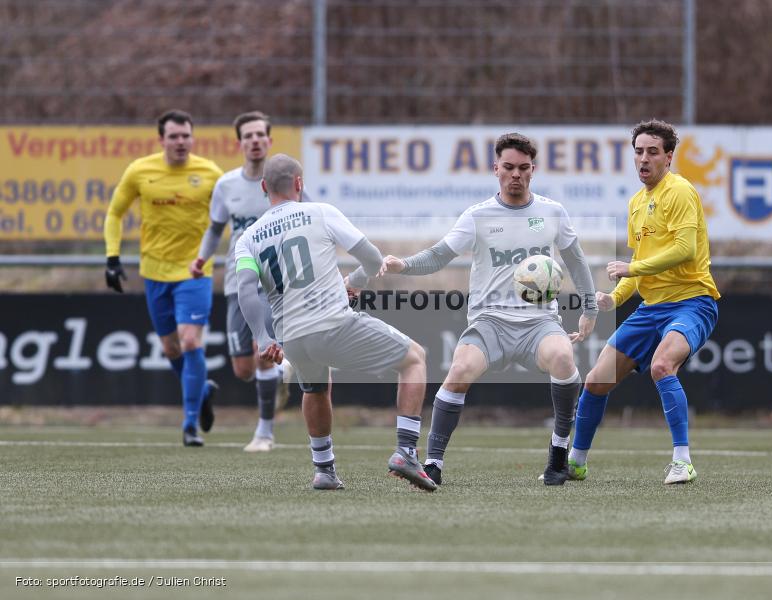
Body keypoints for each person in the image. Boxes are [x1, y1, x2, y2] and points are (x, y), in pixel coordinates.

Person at [381, 132, 598, 486]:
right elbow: (439, 256)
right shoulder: (478, 216)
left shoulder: (552, 212)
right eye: (509, 167)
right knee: (460, 368)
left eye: (524, 168)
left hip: (539, 323)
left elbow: (576, 261)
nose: (516, 174)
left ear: (533, 170)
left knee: (563, 359)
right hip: (490, 323)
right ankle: (433, 463)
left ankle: (558, 454)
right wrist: (402, 264)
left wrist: (590, 308)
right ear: (495, 168)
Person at [234, 153, 436, 491]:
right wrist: (355, 281)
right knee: (415, 358)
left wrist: (261, 337)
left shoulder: (249, 237)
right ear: (299, 184)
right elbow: (372, 258)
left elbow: (244, 289)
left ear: (264, 187)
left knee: (314, 387)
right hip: (332, 323)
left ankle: (324, 470)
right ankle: (406, 451)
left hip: (291, 336)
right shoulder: (321, 212)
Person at [567, 119, 720, 485]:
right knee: (595, 382)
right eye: (638, 152)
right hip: (651, 309)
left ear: (669, 156)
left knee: (662, 365)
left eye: (653, 152)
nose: (644, 159)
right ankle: (574, 462)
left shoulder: (679, 191)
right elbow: (639, 274)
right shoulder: (637, 203)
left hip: (691, 302)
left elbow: (685, 250)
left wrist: (631, 267)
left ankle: (682, 461)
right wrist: (613, 297)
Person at [104, 110, 223, 447]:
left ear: (193, 138)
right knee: (170, 347)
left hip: (195, 271)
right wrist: (112, 257)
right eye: (174, 136)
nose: (181, 142)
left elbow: (231, 214)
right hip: (154, 272)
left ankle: (189, 425)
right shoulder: (140, 170)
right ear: (161, 140)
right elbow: (115, 213)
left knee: (189, 342)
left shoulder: (210, 173)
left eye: (186, 135)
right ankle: (201, 394)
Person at [190, 111, 299, 453]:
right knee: (242, 369)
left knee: (262, 351)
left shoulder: (286, 182)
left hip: (273, 281)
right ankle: (279, 376)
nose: (254, 141)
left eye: (259, 135)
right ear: (239, 143)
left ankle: (264, 434)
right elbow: (215, 229)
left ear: (269, 141)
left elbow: (308, 220)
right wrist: (201, 258)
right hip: (239, 281)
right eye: (247, 136)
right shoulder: (226, 185)